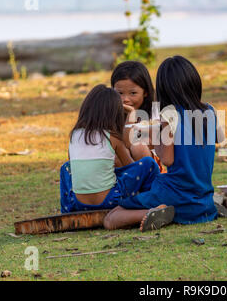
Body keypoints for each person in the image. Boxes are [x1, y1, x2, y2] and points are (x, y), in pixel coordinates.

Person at [104, 56, 224, 231]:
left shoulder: (169, 114)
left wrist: (158, 139)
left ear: (163, 88)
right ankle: (201, 210)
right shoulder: (209, 110)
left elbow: (167, 160)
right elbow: (218, 139)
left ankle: (157, 211)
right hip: (202, 195)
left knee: (111, 218)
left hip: (176, 191)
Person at [59, 85, 173, 229]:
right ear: (114, 113)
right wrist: (131, 114)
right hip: (110, 200)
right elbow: (130, 167)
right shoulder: (112, 136)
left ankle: (66, 212)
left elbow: (75, 168)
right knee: (147, 164)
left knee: (66, 168)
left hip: (78, 204)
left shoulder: (74, 135)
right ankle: (152, 201)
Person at [111, 61, 165, 172]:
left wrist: (131, 115)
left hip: (151, 164)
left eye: (133, 93)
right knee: (116, 157)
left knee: (138, 147)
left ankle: (151, 184)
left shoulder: (154, 110)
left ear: (145, 92)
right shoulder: (111, 113)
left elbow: (134, 143)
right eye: (120, 93)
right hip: (124, 165)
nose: (125, 99)